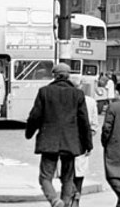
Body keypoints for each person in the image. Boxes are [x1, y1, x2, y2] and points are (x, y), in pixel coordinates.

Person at [26, 63, 93, 207]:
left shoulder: (44, 92)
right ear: (68, 76)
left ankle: (55, 201)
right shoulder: (77, 94)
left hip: (49, 141)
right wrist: (88, 144)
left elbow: (35, 116)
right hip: (70, 142)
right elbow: (84, 121)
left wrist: (29, 133)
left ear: (54, 75)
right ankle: (65, 202)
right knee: (68, 178)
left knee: (45, 177)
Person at [68, 75, 99, 207]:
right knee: (79, 175)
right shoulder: (91, 102)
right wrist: (89, 144)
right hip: (82, 144)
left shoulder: (63, 101)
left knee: (67, 174)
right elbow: (93, 126)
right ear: (80, 86)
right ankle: (76, 201)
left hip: (66, 143)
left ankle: (68, 200)